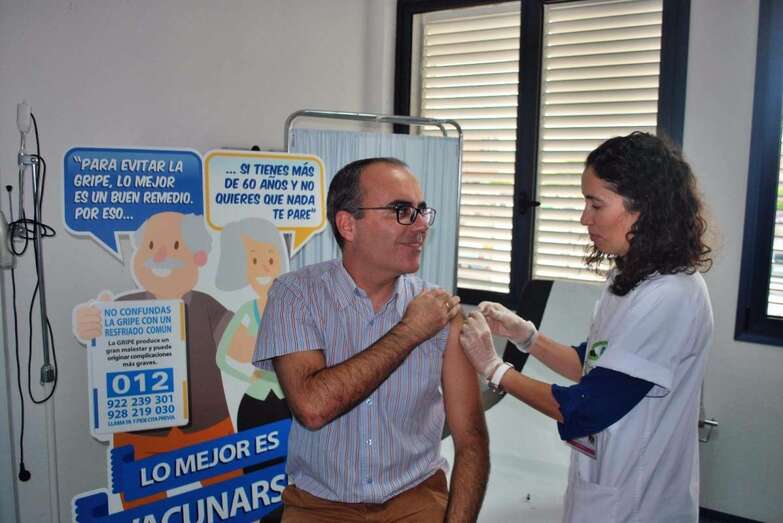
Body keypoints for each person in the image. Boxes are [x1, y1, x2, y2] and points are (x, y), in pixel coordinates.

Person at [460, 132, 714, 523]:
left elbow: (587, 407)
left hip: (639, 500)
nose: (584, 218)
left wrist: (494, 369)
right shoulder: (628, 277)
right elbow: (592, 364)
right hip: (604, 481)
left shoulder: (671, 295)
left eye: (596, 204)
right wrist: (526, 336)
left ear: (643, 207)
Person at [254, 157, 489, 522]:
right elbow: (312, 407)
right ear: (348, 225)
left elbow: (472, 441)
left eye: (422, 211)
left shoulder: (441, 311)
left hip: (416, 498)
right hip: (321, 506)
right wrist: (409, 332)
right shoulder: (296, 295)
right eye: (401, 211)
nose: (421, 225)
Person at [74, 211, 238, 509]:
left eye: (174, 246)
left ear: (198, 257)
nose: (160, 256)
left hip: (208, 427)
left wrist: (255, 322)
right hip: (140, 432)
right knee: (141, 506)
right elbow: (97, 339)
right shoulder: (123, 308)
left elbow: (238, 345)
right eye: (150, 246)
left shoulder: (206, 306)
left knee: (229, 500)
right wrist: (89, 324)